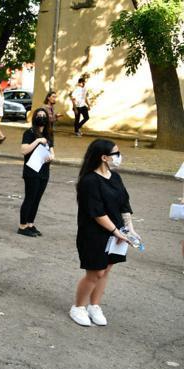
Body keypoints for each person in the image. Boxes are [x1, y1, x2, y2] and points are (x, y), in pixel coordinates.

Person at [70, 140, 136, 327]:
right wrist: (117, 232)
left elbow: (124, 204)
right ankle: (78, 307)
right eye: (116, 153)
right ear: (104, 157)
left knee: (106, 269)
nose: (119, 157)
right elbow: (97, 213)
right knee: (95, 271)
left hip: (116, 233)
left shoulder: (115, 177)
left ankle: (94, 305)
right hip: (94, 234)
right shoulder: (89, 181)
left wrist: (129, 229)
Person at [18, 109, 55, 237]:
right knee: (30, 197)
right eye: (39, 115)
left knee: (37, 199)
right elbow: (24, 150)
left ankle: (30, 224)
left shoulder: (49, 133)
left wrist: (51, 156)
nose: (41, 117)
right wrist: (38, 141)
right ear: (34, 117)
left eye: (44, 115)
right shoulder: (29, 133)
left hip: (44, 170)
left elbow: (52, 150)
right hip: (32, 170)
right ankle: (22, 226)